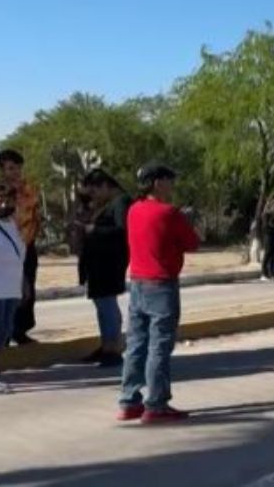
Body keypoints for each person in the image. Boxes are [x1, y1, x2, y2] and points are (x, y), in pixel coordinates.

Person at [119, 163, 199, 424]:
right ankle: (156, 403)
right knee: (159, 348)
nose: (172, 185)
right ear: (156, 183)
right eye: (168, 180)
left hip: (138, 283)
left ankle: (129, 400)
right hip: (162, 284)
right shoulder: (169, 213)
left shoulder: (133, 210)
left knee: (135, 345)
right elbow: (193, 243)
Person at [78, 169, 132, 367]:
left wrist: (95, 229)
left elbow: (122, 230)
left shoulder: (121, 202)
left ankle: (114, 348)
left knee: (108, 305)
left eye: (94, 191)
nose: (92, 196)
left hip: (110, 262)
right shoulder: (105, 204)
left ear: (105, 186)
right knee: (102, 305)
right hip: (98, 262)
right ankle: (106, 345)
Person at [0, 149, 41, 345]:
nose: (15, 172)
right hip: (5, 246)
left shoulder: (28, 189)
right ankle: (2, 335)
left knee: (27, 288)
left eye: (18, 168)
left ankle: (20, 330)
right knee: (6, 291)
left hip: (26, 244)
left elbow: (34, 213)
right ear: (3, 169)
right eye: (10, 168)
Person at [0, 183, 27, 394]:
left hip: (11, 288)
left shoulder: (12, 225)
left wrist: (23, 282)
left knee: (4, 331)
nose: (4, 204)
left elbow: (19, 257)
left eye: (7, 200)